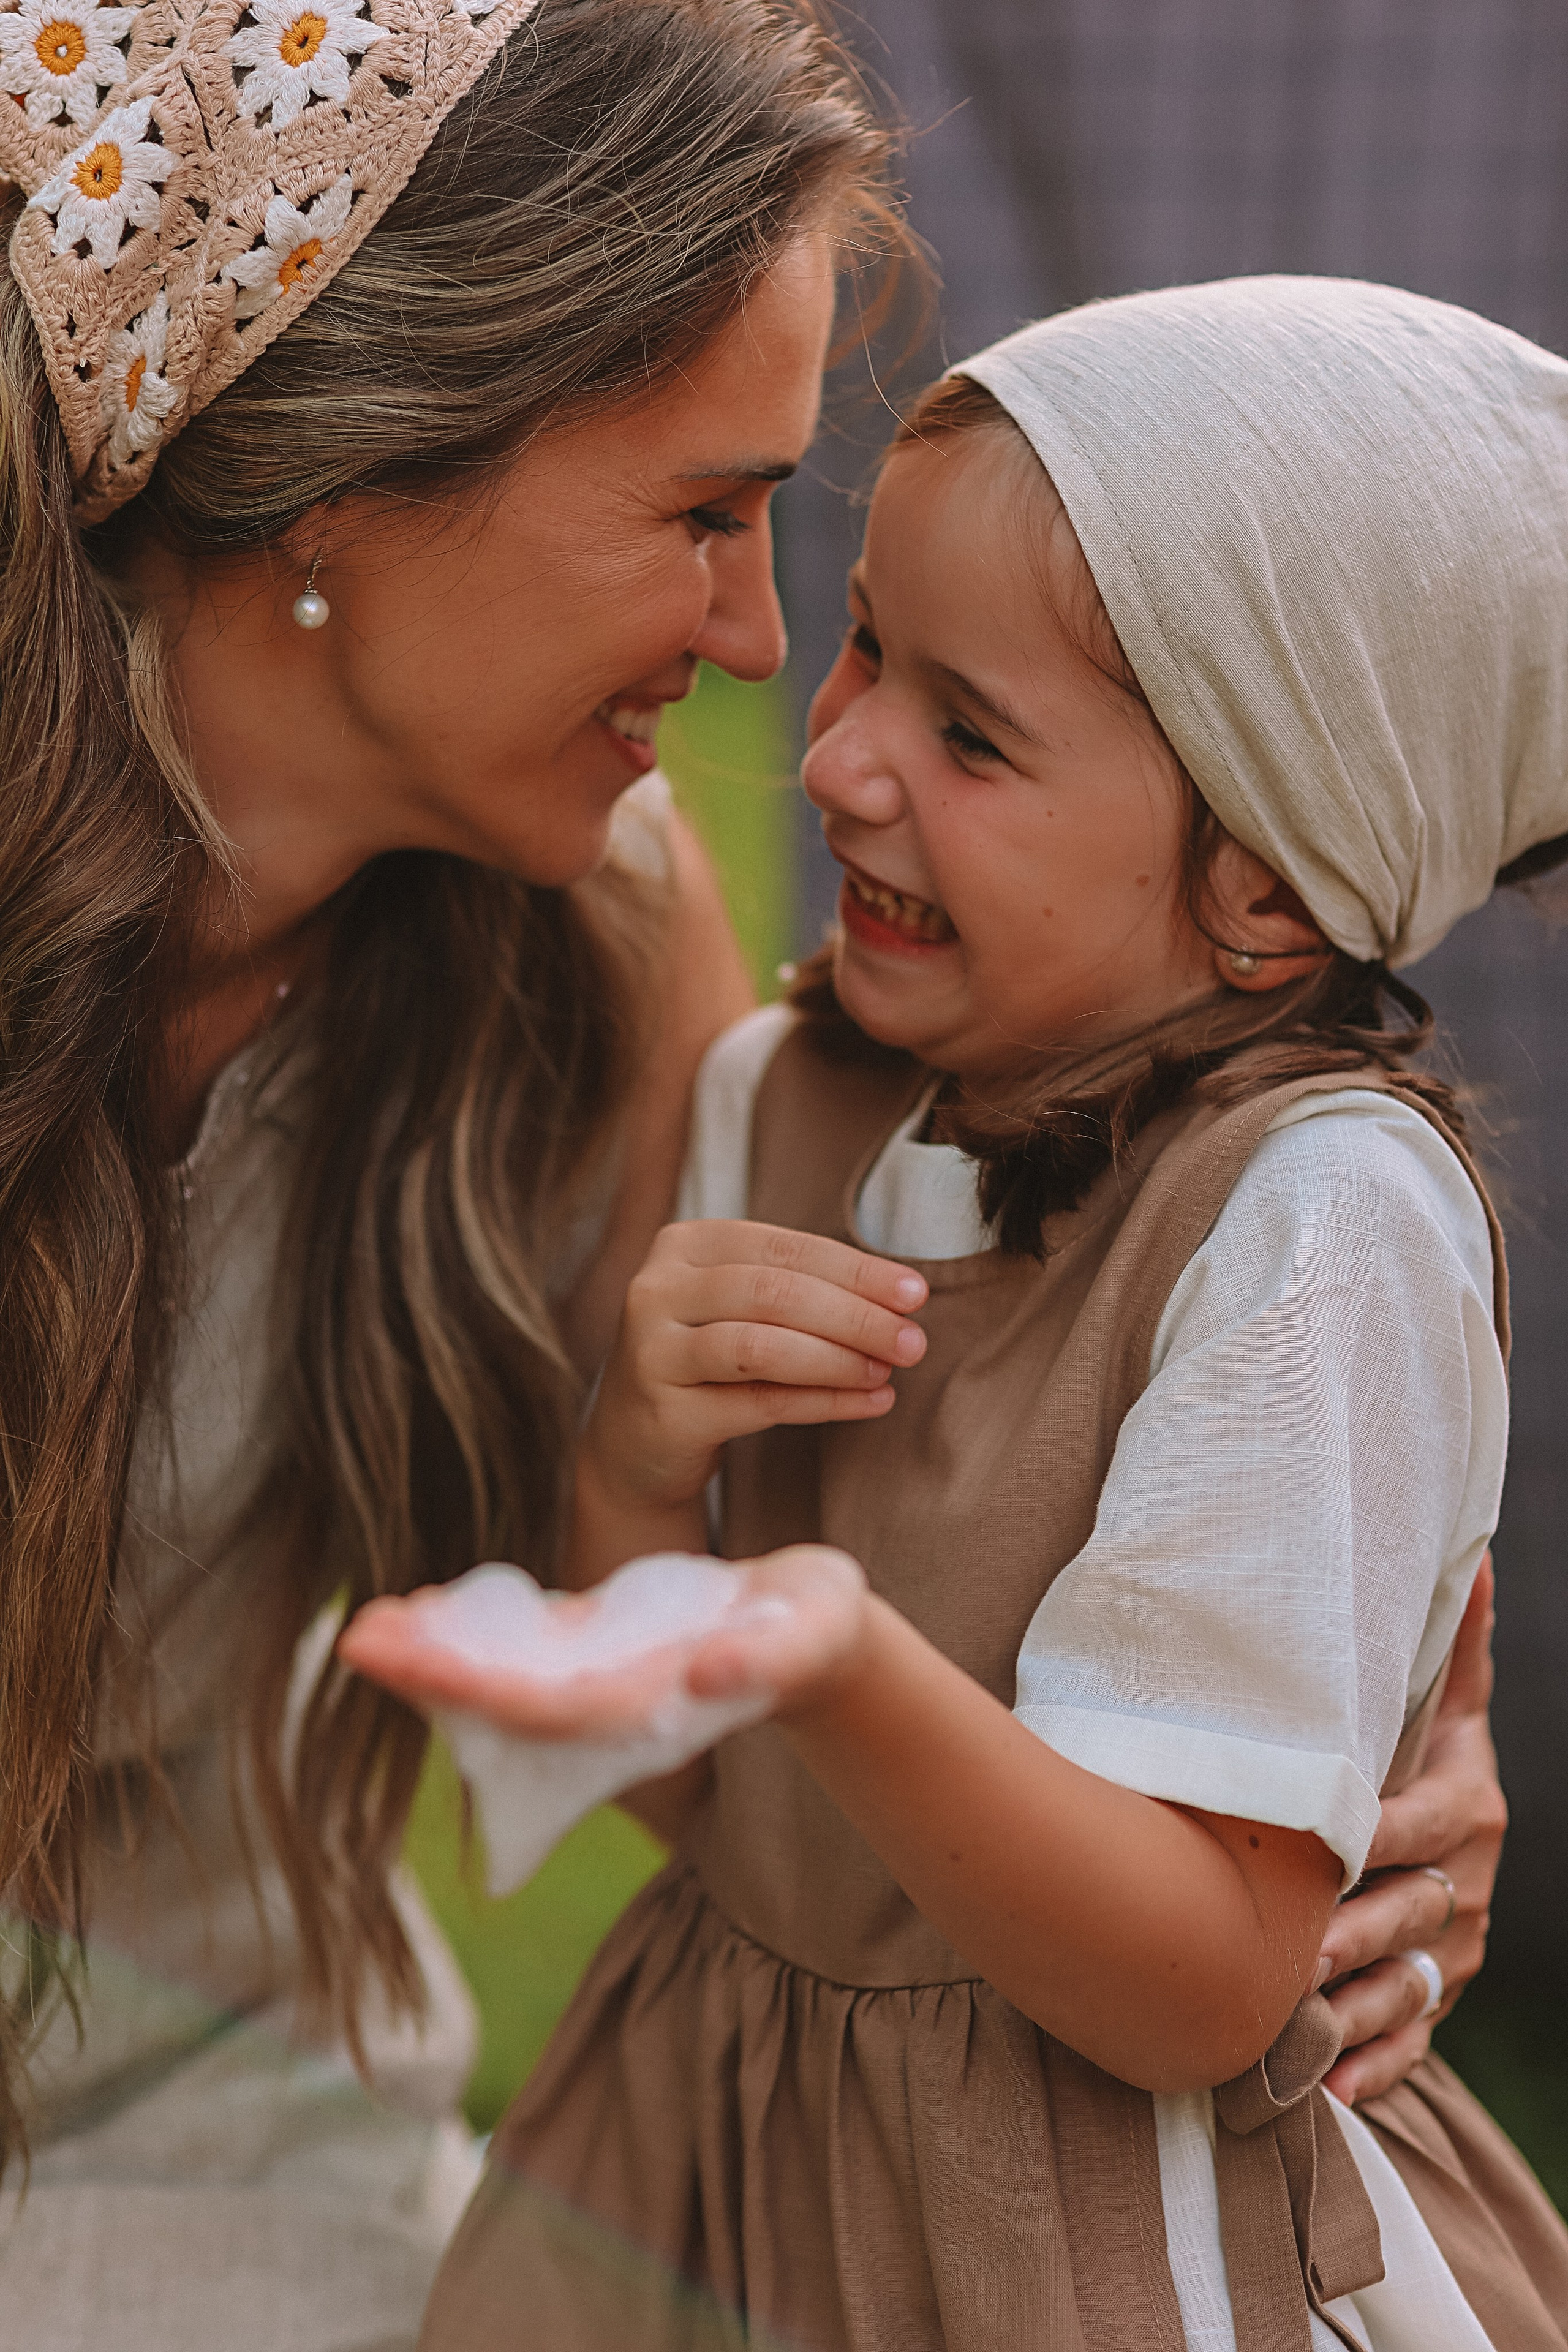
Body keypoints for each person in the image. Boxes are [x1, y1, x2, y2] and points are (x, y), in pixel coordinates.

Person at [346, 277, 1568, 2348]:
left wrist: (833, 1656)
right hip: (711, 2161)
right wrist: (639, 1478)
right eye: (868, 650)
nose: (836, 758)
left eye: (969, 732)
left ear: (1270, 883)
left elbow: (1195, 1984)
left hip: (1066, 2231)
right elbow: (718, 1818)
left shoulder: (1313, 1227)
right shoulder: (789, 1095)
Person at [0, 4, 902, 2345]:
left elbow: (789, 1628)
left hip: (228, 2152)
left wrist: (1315, 1783)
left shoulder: (586, 942)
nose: (757, 642)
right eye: (705, 513)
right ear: (348, 466)